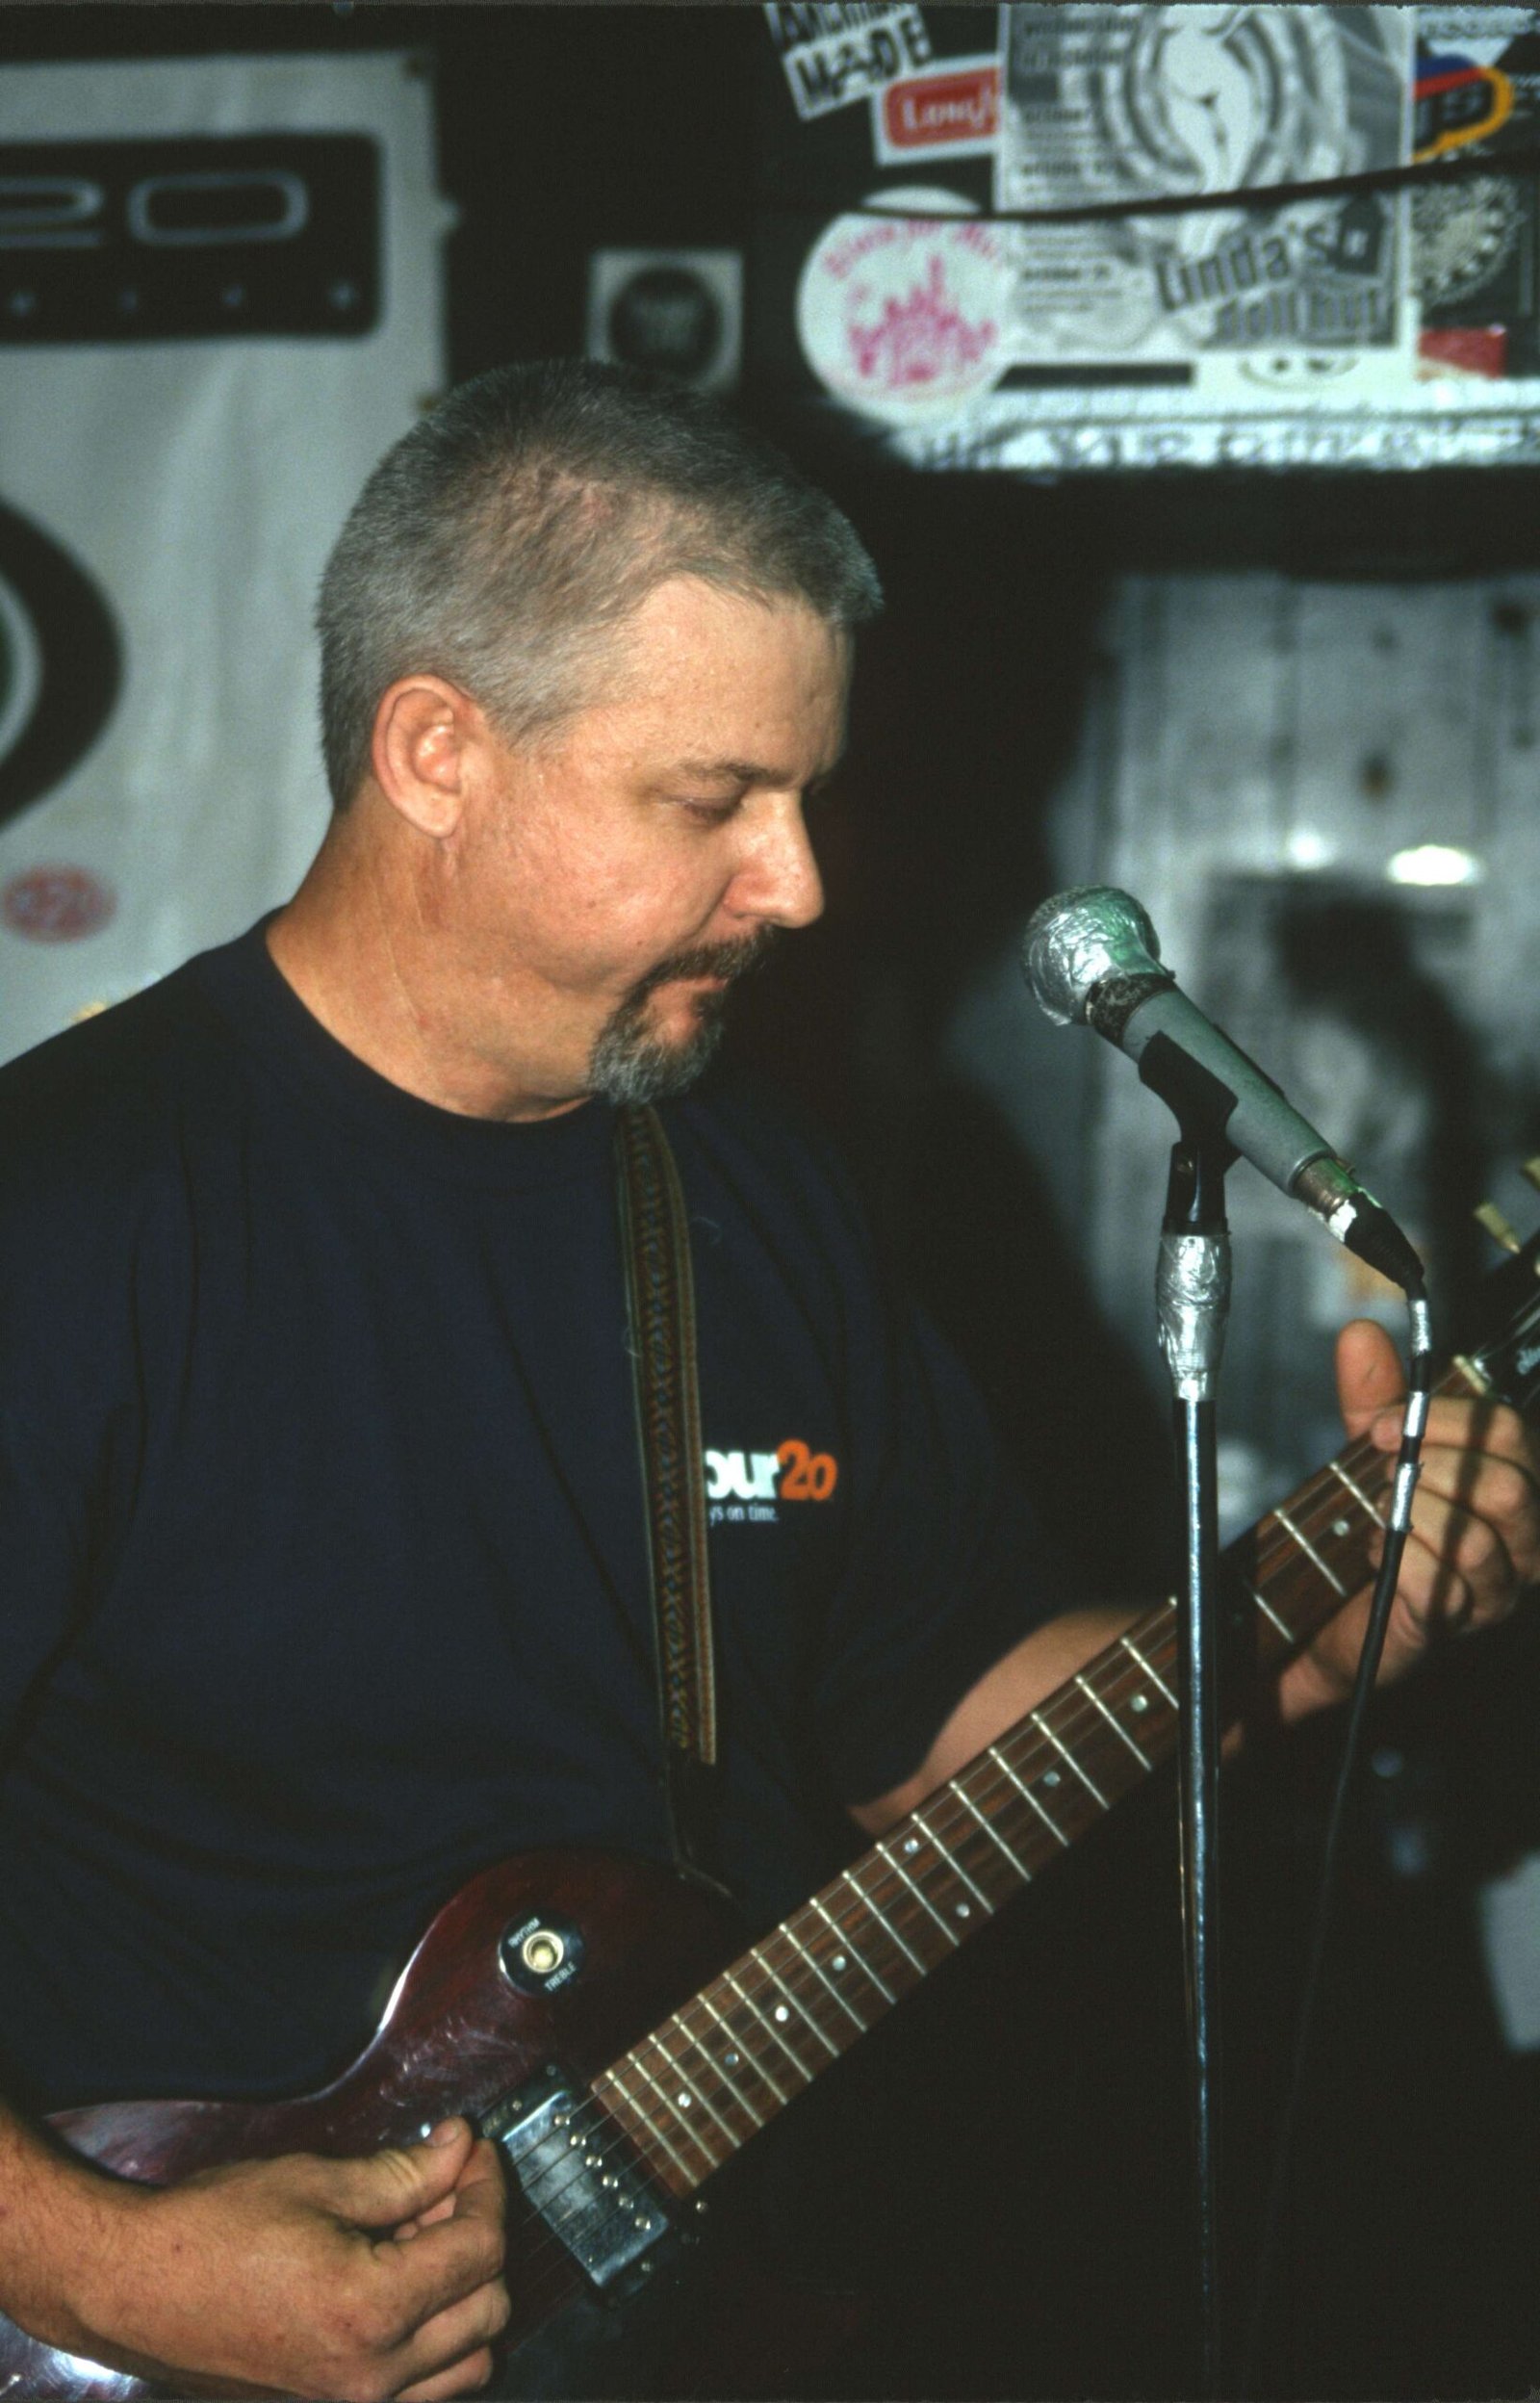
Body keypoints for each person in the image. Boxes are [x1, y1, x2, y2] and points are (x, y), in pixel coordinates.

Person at [0, 360, 1535, 2403]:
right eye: (710, 799)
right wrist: (108, 2269)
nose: (797, 883)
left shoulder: (744, 1191)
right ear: (438, 752)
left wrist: (1326, 1624)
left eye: (801, 797)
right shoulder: (76, 1208)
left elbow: (935, 1714)